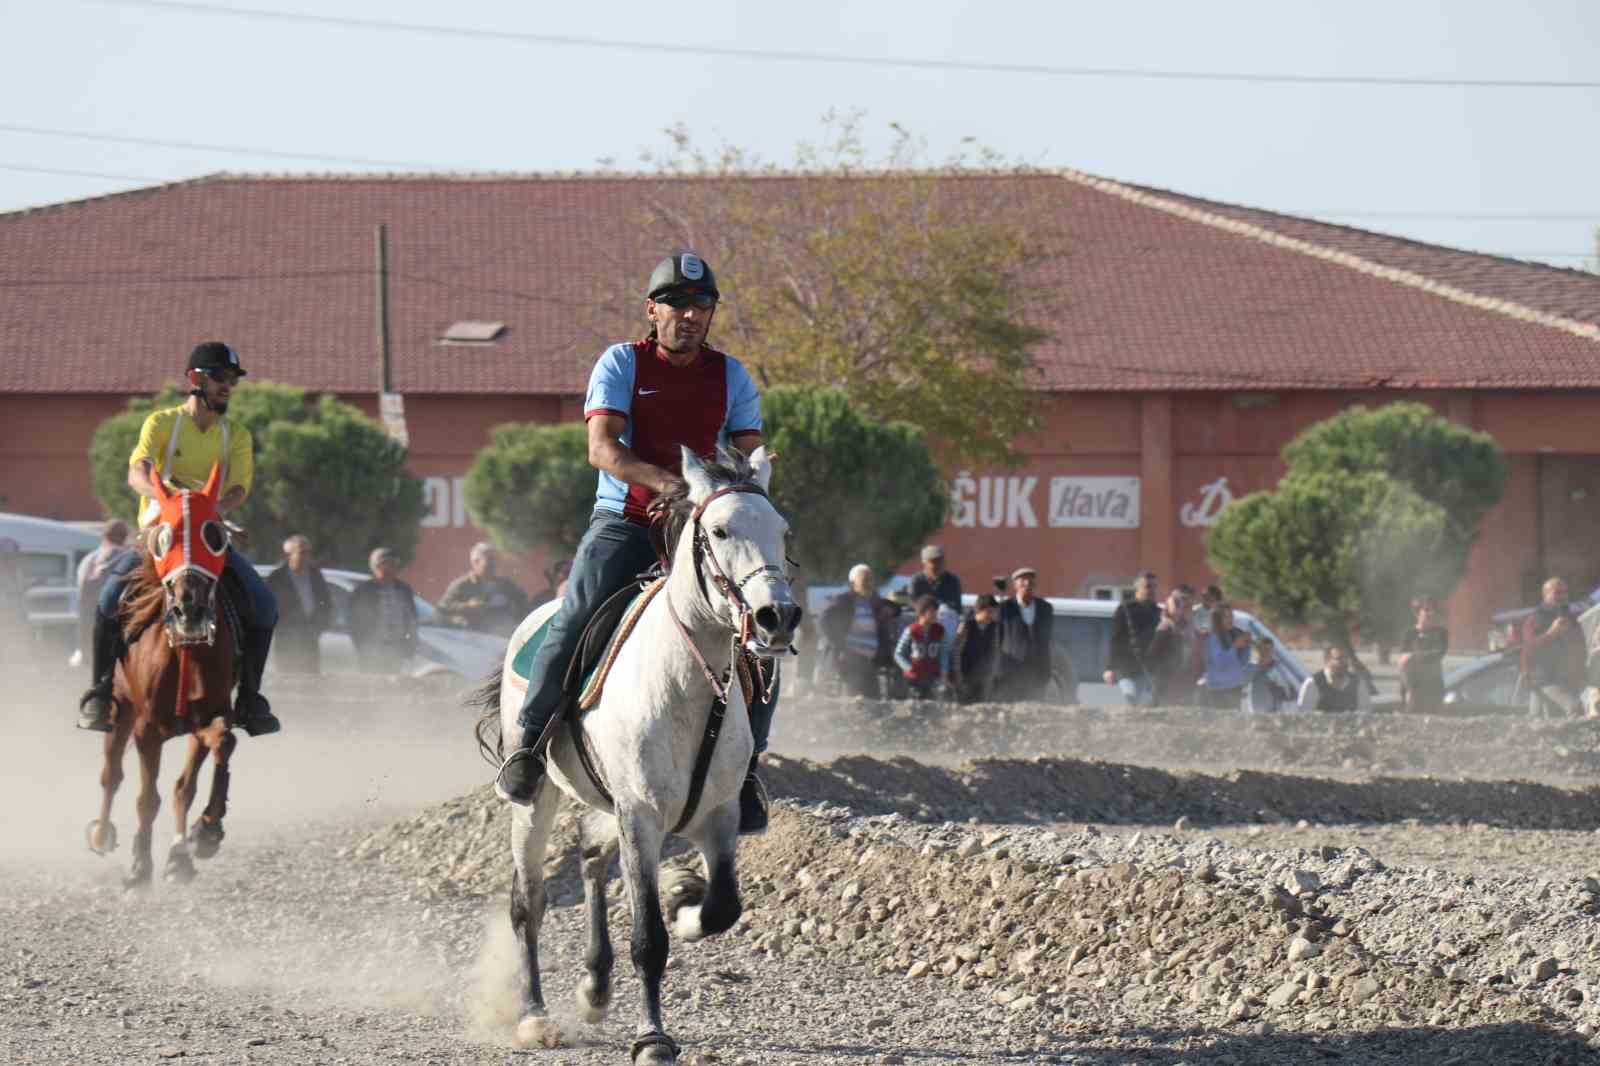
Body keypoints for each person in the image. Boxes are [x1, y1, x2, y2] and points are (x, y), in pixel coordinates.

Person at [495, 252, 778, 835]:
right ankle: (528, 746)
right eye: (676, 303)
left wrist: (736, 497)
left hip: (699, 528)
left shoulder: (732, 375)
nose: (690, 314)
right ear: (652, 310)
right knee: (577, 616)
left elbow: (747, 456)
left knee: (758, 630)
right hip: (625, 519)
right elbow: (603, 449)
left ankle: (746, 770)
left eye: (702, 305)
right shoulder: (622, 363)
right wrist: (671, 484)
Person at [77, 342, 280, 736]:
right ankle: (100, 692)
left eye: (231, 381)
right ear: (196, 379)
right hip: (158, 537)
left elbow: (238, 490)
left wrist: (207, 508)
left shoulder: (235, 435)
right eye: (220, 378)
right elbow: (137, 472)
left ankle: (250, 699)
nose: (228, 387)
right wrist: (171, 501)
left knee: (264, 603)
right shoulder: (160, 424)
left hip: (206, 538)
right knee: (107, 600)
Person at [820, 564, 894, 699]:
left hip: (870, 660)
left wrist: (890, 609)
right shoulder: (844, 600)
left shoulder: (873, 601)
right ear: (853, 583)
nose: (869, 584)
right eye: (865, 580)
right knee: (854, 701)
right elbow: (825, 620)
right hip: (851, 660)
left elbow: (894, 607)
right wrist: (841, 646)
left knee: (874, 701)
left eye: (871, 580)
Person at [265, 534, 333, 675]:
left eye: (308, 552)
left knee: (311, 681)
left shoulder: (315, 575)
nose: (306, 557)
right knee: (286, 680)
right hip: (285, 642)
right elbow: (266, 608)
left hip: (310, 640)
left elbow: (326, 604)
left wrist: (319, 627)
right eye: (301, 552)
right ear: (288, 555)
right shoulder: (276, 578)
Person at [1520, 576, 1586, 717]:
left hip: (1566, 678)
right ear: (1546, 594)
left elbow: (1580, 647)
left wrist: (1580, 672)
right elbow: (1529, 647)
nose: (1562, 596)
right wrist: (1551, 633)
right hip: (1544, 679)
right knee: (1575, 707)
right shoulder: (1536, 618)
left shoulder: (1571, 618)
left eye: (1564, 592)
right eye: (1557, 592)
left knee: (1538, 721)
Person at [349, 547, 418, 674]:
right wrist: (363, 648)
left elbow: (411, 619)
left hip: (396, 651)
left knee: (393, 686)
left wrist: (410, 646)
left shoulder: (403, 590)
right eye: (386, 564)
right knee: (372, 686)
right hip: (373, 651)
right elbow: (355, 623)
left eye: (394, 564)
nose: (391, 568)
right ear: (375, 567)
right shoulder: (364, 591)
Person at [437, 541, 530, 636]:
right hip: (474, 636)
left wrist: (516, 621)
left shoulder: (506, 584)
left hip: (503, 635)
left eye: (494, 560)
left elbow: (523, 603)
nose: (493, 565)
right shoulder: (463, 585)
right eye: (489, 561)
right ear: (475, 562)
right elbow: (443, 607)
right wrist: (467, 606)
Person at [75, 519, 132, 667]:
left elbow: (80, 589)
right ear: (125, 537)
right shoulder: (129, 558)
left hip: (89, 621)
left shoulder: (89, 559)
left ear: (104, 536)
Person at [996, 566, 1055, 701]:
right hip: (1011, 672)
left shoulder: (1045, 608)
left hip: (1038, 673)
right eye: (1023, 580)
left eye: (1030, 580)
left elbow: (1047, 639)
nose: (1027, 584)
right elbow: (997, 639)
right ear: (1015, 584)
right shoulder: (1004, 608)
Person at [1104, 571, 1162, 705]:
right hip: (1127, 668)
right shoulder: (1125, 609)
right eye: (1148, 586)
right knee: (1132, 698)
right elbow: (1115, 639)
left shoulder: (1158, 612)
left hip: (1148, 669)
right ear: (1138, 588)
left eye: (1154, 587)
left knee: (1150, 705)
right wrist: (1109, 668)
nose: (1152, 590)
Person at [1146, 584, 1202, 705]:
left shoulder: (1191, 627)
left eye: (1186, 601)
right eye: (1177, 602)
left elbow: (1197, 656)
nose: (1183, 605)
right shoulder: (1165, 627)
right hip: (1167, 686)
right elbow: (1152, 656)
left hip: (1186, 685)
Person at [893, 594, 951, 699]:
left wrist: (943, 672)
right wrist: (909, 668)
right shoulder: (911, 630)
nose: (935, 615)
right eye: (932, 611)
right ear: (922, 612)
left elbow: (944, 653)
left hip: (933, 677)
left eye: (936, 611)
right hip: (914, 679)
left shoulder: (940, 631)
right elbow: (898, 653)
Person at [1397, 596, 1448, 713]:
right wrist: (1409, 690)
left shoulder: (1441, 633)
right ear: (1417, 613)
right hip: (1412, 688)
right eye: (1427, 610)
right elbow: (1403, 661)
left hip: (1433, 688)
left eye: (1434, 610)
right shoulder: (1409, 634)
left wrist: (1414, 656)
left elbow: (1439, 653)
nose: (1431, 613)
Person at [949, 594, 1002, 704]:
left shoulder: (994, 627)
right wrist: (958, 678)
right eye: (989, 611)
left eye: (993, 612)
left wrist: (991, 675)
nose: (992, 615)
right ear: (980, 610)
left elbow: (994, 652)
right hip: (964, 677)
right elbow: (956, 653)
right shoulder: (966, 626)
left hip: (983, 679)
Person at [1198, 603, 1250, 709]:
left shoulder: (1230, 635)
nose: (1230, 619)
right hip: (1220, 690)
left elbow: (1242, 662)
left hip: (1234, 687)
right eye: (1226, 617)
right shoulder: (1213, 638)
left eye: (1231, 616)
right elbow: (1220, 663)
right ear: (1218, 620)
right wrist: (1235, 647)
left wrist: (1245, 645)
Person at [1243, 637, 1295, 712]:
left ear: (1273, 651)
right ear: (1257, 651)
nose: (1266, 653)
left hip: (1275, 713)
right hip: (1256, 713)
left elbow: (1290, 693)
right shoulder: (1250, 667)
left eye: (1269, 650)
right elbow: (1243, 682)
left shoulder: (1279, 669)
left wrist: (1277, 688)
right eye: (1262, 650)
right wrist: (1260, 666)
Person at [908, 545, 962, 615]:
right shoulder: (916, 580)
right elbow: (913, 603)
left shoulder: (953, 580)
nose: (938, 564)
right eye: (933, 561)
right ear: (924, 562)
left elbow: (956, 606)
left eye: (940, 561)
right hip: (922, 617)